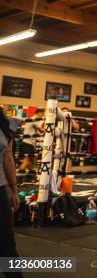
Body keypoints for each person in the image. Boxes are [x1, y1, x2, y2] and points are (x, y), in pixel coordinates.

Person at [0, 108, 23, 278]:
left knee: (7, 240)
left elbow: (8, 158)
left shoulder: (5, 124)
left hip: (0, 189)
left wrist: (14, 191)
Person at [17, 108, 45, 172]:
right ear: (39, 112)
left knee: (33, 159)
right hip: (27, 143)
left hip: (29, 143)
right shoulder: (34, 119)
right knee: (27, 160)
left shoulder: (34, 120)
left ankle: (30, 174)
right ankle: (21, 174)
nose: (43, 115)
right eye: (43, 113)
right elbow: (42, 130)